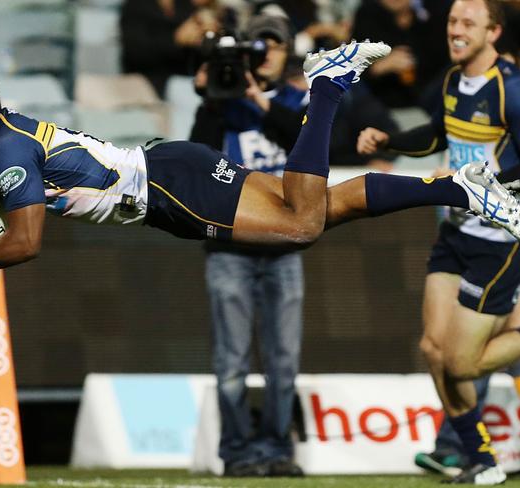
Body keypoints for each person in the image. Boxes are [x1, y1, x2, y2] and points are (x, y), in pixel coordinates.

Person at [0, 41, 520, 304]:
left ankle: (328, 87)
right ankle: (457, 185)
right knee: (327, 205)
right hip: (171, 167)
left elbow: (26, 244)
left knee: (302, 225)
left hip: (168, 190)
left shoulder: (4, 153)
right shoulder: (0, 138)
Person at [356, 0, 520, 484]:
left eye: (468, 23)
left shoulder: (513, 90)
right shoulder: (453, 82)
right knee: (434, 349)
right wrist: (389, 141)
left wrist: (483, 187)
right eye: (453, 21)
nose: (456, 30)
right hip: (455, 233)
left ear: (493, 32)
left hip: (501, 240)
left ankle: (481, 452)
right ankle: (480, 459)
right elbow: (438, 135)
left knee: (461, 361)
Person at [189, 14, 306, 477]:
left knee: (284, 359)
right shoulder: (220, 103)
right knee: (232, 360)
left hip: (284, 245)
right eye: (258, 47)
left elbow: (309, 140)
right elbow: (196, 156)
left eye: (274, 45)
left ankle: (278, 450)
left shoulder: (299, 101)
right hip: (230, 247)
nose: (267, 54)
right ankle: (237, 452)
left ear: (287, 50)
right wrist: (215, 98)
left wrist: (257, 100)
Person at [351, 0, 451, 108]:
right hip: (380, 105)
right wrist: (378, 68)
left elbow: (445, 66)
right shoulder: (366, 15)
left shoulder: (434, 14)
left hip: (431, 103)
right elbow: (349, 72)